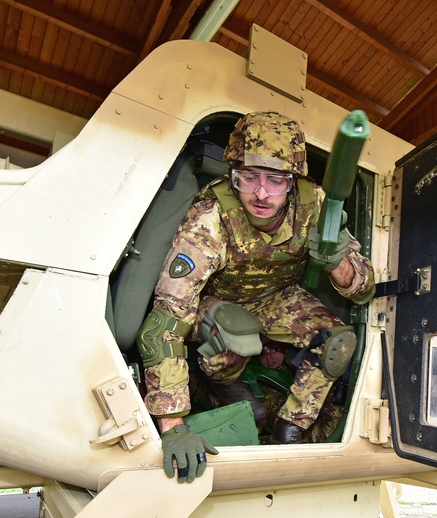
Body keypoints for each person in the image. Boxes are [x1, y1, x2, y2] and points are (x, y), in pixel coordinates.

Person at [137, 111, 376, 483]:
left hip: (275, 297)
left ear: (294, 181)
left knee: (339, 341)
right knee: (236, 335)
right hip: (213, 303)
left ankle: (288, 432)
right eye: (249, 178)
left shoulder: (315, 207)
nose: (261, 193)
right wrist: (173, 426)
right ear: (233, 175)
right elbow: (166, 320)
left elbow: (364, 289)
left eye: (276, 181)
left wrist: (337, 262)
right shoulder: (211, 218)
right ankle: (212, 379)